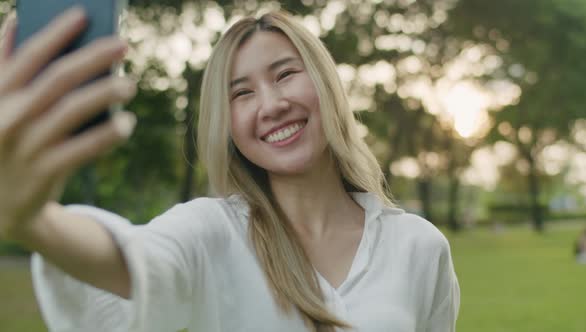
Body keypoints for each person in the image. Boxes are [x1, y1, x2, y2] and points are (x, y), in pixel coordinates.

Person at [0, 7, 460, 332]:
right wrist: (35, 220)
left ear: (326, 84)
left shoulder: (419, 248)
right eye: (242, 93)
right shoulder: (211, 231)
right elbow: (131, 262)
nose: (272, 105)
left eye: (284, 75)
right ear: (229, 127)